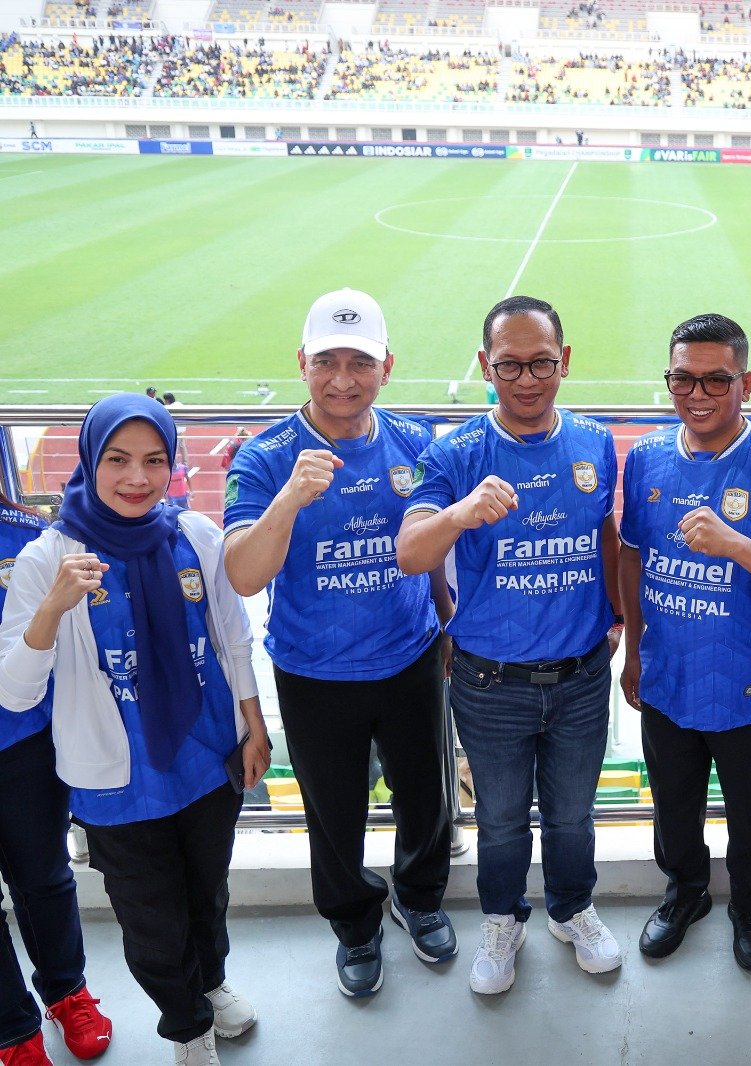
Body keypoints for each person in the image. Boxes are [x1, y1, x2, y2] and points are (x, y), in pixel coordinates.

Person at [0, 394, 270, 1066]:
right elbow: (16, 691)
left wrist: (254, 723)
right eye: (118, 459)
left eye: (154, 460)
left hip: (207, 757)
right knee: (151, 920)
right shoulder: (48, 558)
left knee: (207, 894)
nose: (136, 478)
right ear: (90, 460)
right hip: (116, 781)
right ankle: (186, 1025)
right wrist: (52, 609)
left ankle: (211, 982)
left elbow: (232, 636)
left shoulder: (194, 535)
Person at [222, 288, 456, 1000]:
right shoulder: (265, 458)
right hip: (313, 670)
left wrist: (444, 617)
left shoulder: (415, 440)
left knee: (426, 796)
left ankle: (419, 897)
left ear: (387, 366)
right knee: (333, 814)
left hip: (411, 654)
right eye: (327, 361)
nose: (343, 379)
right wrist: (291, 498)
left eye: (360, 362)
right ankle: (355, 925)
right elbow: (242, 574)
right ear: (302, 363)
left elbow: (430, 543)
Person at [397, 295, 625, 994]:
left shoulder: (594, 442)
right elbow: (410, 552)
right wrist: (462, 513)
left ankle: (572, 909)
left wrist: (617, 616)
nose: (527, 380)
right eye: (510, 366)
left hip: (582, 674)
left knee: (572, 815)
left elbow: (605, 533)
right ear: (484, 365)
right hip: (490, 680)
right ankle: (503, 919)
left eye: (542, 363)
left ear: (565, 361)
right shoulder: (455, 452)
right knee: (498, 821)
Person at [618, 313, 751, 973]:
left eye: (716, 380)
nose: (698, 394)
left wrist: (733, 542)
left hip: (747, 681)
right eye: (683, 379)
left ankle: (749, 908)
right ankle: (685, 894)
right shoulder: (646, 457)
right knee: (673, 806)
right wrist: (634, 650)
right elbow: (631, 555)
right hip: (668, 674)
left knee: (750, 815)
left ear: (746, 382)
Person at [0, 492, 114, 1066]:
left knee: (44, 877)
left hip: (21, 738)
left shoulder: (28, 536)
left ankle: (67, 992)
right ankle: (11, 1029)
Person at [166, 444, 192, 511]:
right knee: (173, 512)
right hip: (172, 497)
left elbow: (188, 479)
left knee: (185, 512)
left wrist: (191, 490)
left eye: (175, 458)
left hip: (182, 496)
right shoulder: (167, 471)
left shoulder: (183, 468)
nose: (174, 460)